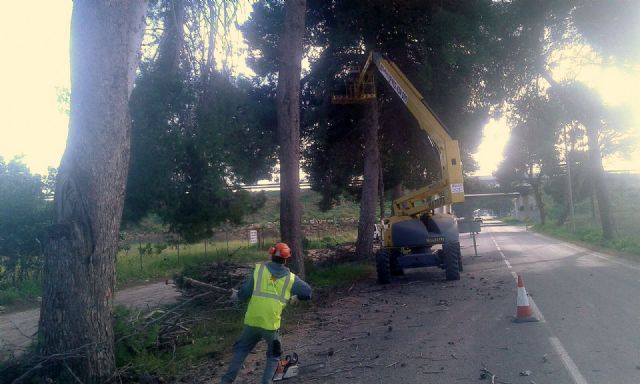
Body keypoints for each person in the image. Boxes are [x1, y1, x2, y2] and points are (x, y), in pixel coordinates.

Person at [221, 242, 312, 384]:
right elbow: (308, 292)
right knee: (274, 355)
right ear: (286, 259)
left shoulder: (259, 270)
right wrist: (296, 297)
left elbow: (245, 293)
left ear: (271, 254)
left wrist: (237, 295)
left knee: (241, 350)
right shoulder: (291, 278)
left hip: (252, 321)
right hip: (270, 325)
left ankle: (225, 381)